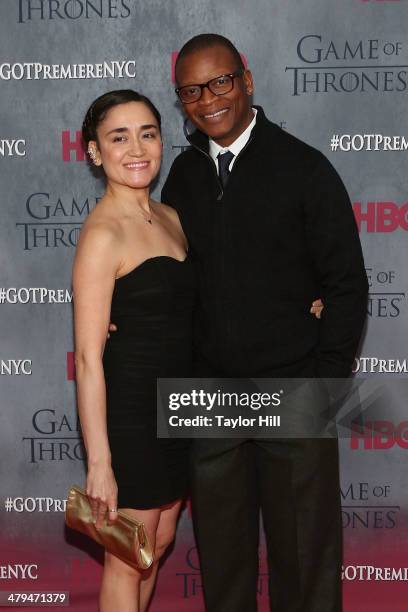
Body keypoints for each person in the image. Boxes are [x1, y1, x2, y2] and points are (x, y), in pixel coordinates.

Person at [159, 34, 369, 612]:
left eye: (220, 82)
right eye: (192, 91)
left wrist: (323, 386)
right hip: (209, 398)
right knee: (223, 563)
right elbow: (177, 286)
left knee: (304, 558)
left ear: (247, 79)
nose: (209, 100)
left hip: (293, 388)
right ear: (182, 100)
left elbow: (348, 285)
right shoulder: (183, 176)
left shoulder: (304, 167)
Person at [72, 89, 195, 612]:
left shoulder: (170, 216)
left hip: (180, 406)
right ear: (96, 152)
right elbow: (86, 358)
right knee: (128, 558)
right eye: (118, 137)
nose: (137, 148)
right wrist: (100, 461)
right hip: (133, 415)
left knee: (158, 544)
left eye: (147, 132)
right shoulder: (103, 234)